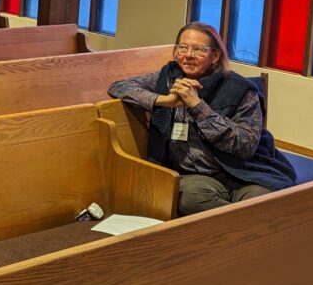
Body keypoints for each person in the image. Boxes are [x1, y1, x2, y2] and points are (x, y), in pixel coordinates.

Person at [108, 21, 295, 216]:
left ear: (215, 56)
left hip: (244, 172)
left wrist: (198, 106)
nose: (188, 55)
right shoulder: (167, 78)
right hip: (196, 176)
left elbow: (244, 145)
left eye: (198, 49)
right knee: (190, 199)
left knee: (261, 200)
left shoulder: (242, 89)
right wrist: (165, 100)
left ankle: (239, 222)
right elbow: (118, 87)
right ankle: (242, 222)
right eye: (183, 47)